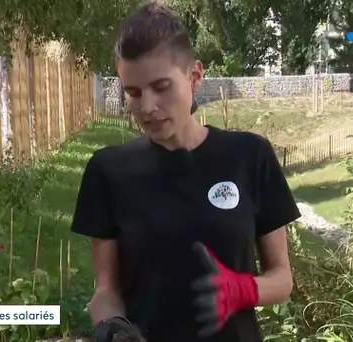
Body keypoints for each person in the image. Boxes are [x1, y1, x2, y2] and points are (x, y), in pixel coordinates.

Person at [70, 2, 301, 341]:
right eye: (133, 92)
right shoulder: (108, 170)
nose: (147, 107)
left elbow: (282, 280)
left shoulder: (250, 156)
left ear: (194, 76)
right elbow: (106, 292)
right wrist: (113, 330)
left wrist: (242, 289)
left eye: (161, 87)